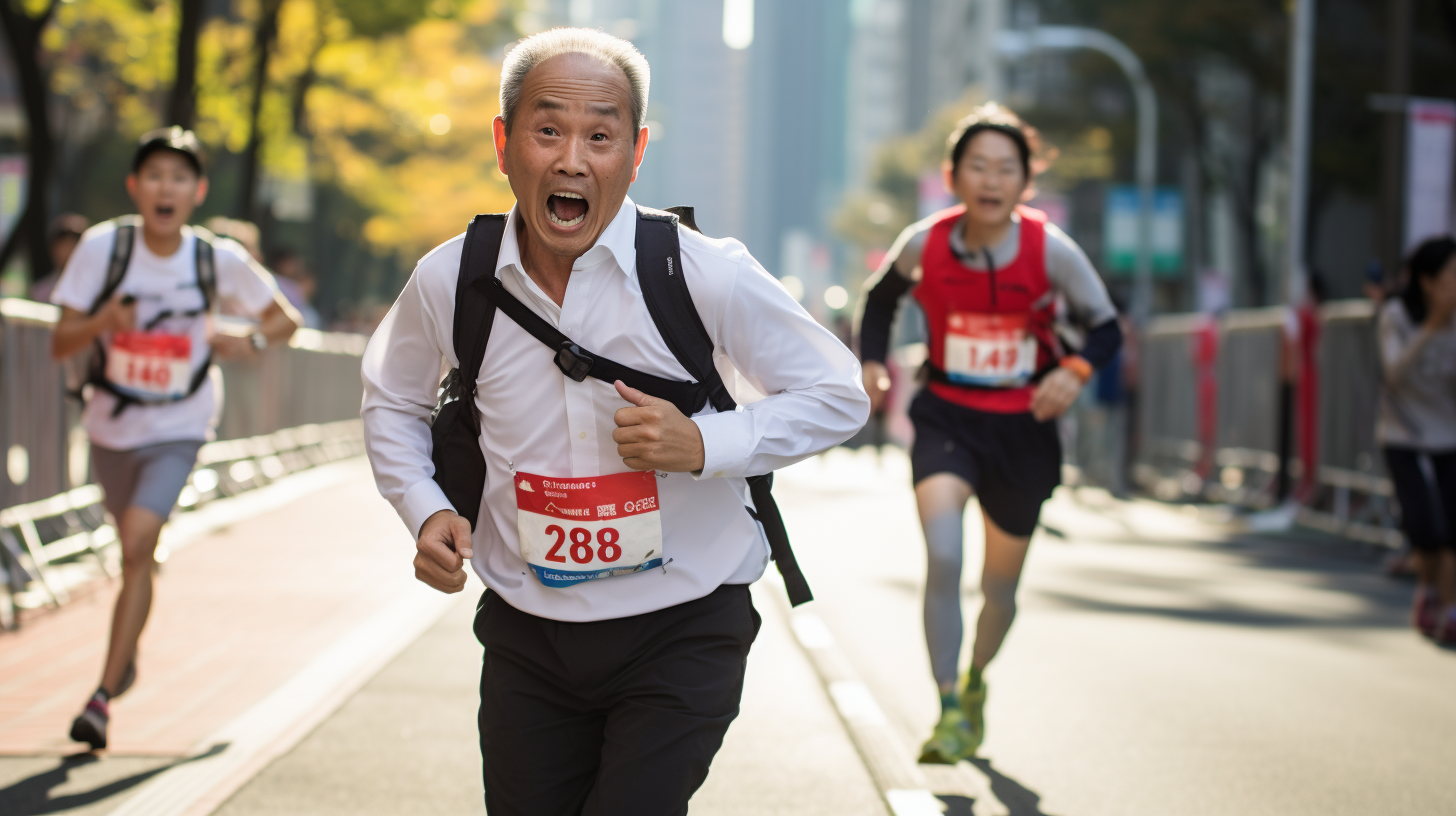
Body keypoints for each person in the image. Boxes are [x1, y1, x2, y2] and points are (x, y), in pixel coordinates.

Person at [360, 28, 868, 815]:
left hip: (683, 625)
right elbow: (392, 398)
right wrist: (423, 509)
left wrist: (704, 442)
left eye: (600, 135)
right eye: (548, 129)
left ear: (634, 154)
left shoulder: (699, 271)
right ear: (504, 142)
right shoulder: (451, 278)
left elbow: (839, 393)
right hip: (529, 633)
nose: (572, 159)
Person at [855, 103, 1122, 764]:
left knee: (999, 589)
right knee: (944, 558)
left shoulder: (1050, 250)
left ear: (1026, 182)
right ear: (954, 175)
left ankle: (975, 679)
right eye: (978, 166)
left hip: (1025, 430)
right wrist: (871, 362)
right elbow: (882, 297)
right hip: (947, 415)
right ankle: (947, 706)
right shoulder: (926, 242)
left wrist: (1077, 370)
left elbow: (1106, 327)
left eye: (1007, 168)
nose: (991, 179)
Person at [50, 127, 300, 749]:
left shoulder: (212, 258)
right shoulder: (104, 249)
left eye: (179, 178)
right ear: (136, 187)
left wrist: (253, 340)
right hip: (110, 425)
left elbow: (283, 319)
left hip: (181, 424)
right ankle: (126, 648)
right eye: (155, 176)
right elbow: (60, 341)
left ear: (197, 191)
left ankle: (101, 697)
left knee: (138, 541)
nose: (167, 188)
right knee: (133, 550)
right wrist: (108, 320)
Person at [1376, 235, 1456, 644]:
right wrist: (1430, 328)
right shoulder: (1398, 315)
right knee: (1425, 526)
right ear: (1427, 280)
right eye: (1450, 276)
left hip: (1448, 434)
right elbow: (1395, 373)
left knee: (1450, 529)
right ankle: (1429, 591)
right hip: (1404, 433)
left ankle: (1448, 607)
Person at [28, 213, 90, 304]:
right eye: (62, 247)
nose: (66, 254)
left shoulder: (94, 287)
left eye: (71, 247)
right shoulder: (41, 290)